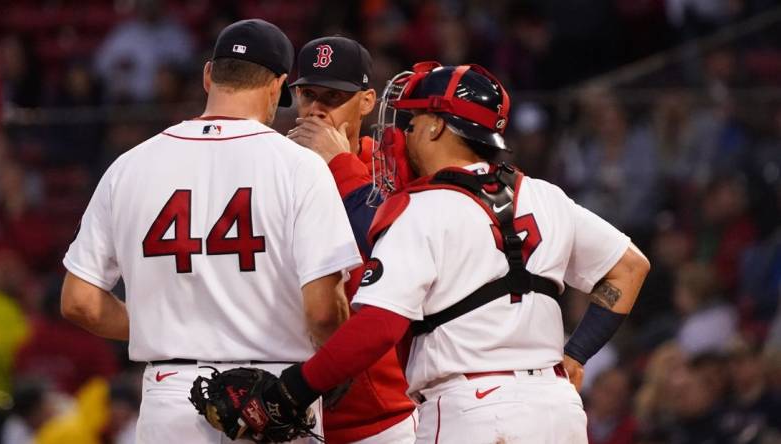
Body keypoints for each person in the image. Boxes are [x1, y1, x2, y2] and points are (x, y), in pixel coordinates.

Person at [250, 61, 651, 443]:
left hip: (472, 412)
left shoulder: (422, 208)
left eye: (413, 121)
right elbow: (630, 268)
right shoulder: (545, 196)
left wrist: (293, 388)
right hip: (557, 408)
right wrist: (577, 354)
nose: (403, 133)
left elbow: (377, 328)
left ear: (437, 126)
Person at [60, 19, 361, 443]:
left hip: (171, 393)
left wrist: (164, 325)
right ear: (278, 86)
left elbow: (80, 302)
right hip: (273, 395)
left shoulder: (129, 166)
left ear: (208, 76)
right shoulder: (299, 166)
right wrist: (332, 366)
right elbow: (324, 312)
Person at [286, 36, 416, 443]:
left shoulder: (400, 169)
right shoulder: (271, 170)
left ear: (366, 101)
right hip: (290, 408)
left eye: (334, 96)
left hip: (384, 417)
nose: (316, 110)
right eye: (307, 95)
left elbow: (402, 248)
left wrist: (340, 166)